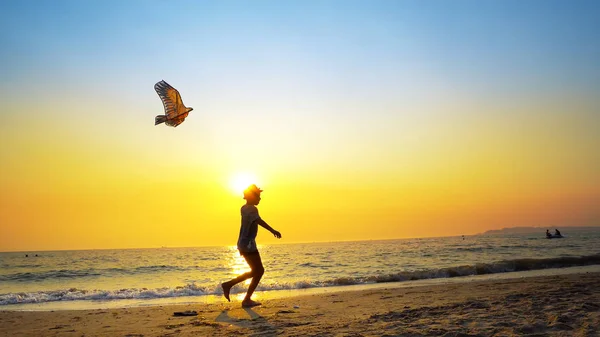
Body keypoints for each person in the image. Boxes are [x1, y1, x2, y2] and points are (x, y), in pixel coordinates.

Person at [221, 184, 282, 308]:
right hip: (248, 245)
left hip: (243, 244)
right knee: (259, 271)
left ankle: (234, 289)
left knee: (257, 271)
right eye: (258, 196)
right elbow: (258, 221)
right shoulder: (252, 209)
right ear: (252, 196)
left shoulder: (244, 208)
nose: (260, 199)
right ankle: (240, 294)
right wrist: (273, 230)